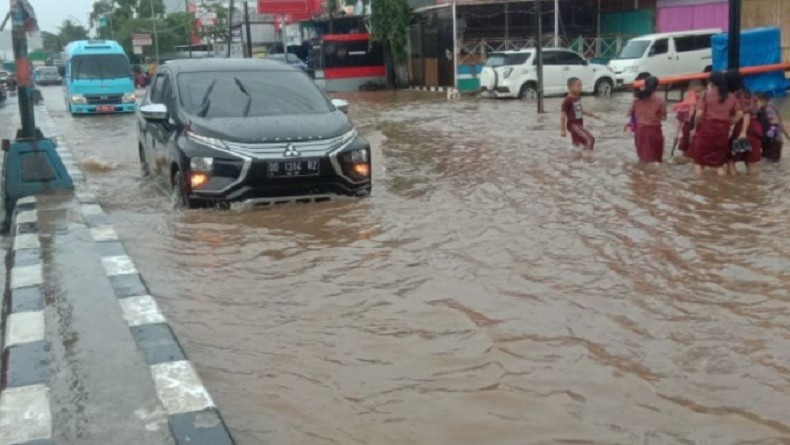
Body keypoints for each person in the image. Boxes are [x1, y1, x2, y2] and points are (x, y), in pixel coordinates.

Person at [690, 71, 743, 176]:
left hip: (706, 130)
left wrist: (695, 128)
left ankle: (698, 188)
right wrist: (730, 122)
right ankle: (723, 188)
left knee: (699, 162)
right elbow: (740, 113)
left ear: (711, 82)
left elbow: (699, 114)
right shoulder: (731, 96)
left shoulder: (706, 94)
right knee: (719, 164)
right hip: (723, 131)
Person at [726, 72, 762, 175]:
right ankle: (751, 187)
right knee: (750, 161)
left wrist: (743, 131)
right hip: (755, 128)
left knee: (731, 159)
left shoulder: (738, 94)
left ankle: (734, 184)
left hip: (743, 127)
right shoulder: (750, 93)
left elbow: (745, 113)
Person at [628, 76, 667, 163]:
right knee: (657, 160)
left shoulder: (637, 101)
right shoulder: (660, 101)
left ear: (644, 85)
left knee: (643, 159)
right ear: (657, 87)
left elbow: (629, 113)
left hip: (641, 131)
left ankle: (643, 175)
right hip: (655, 131)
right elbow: (664, 118)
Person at [561, 77, 599, 151]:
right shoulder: (567, 100)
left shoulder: (577, 97)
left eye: (581, 86)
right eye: (578, 86)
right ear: (570, 88)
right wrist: (562, 130)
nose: (580, 88)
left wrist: (592, 114)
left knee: (577, 145)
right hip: (573, 125)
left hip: (579, 124)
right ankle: (589, 157)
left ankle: (577, 159)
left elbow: (580, 110)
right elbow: (563, 115)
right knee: (590, 139)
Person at [673, 80, 703, 156]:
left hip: (699, 129)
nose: (698, 94)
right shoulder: (685, 106)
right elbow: (680, 121)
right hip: (688, 129)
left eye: (700, 92)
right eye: (696, 92)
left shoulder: (704, 105)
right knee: (686, 151)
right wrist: (676, 134)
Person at [756, 93, 789, 162]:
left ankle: (774, 171)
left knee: (772, 160)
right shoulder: (767, 108)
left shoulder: (768, 109)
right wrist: (787, 136)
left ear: (763, 101)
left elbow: (775, 121)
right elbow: (781, 123)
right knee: (769, 159)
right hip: (774, 139)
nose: (755, 104)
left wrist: (769, 128)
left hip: (773, 140)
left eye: (756, 101)